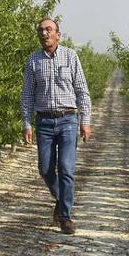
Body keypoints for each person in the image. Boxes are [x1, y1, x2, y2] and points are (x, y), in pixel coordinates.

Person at [21, 17, 92, 234]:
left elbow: (82, 90)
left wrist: (85, 120)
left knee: (67, 169)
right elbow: (27, 95)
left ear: (58, 34)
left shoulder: (71, 56)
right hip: (44, 121)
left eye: (49, 29)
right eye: (41, 30)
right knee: (45, 169)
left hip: (68, 119)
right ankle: (62, 200)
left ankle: (66, 217)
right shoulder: (33, 61)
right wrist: (27, 123)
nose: (45, 33)